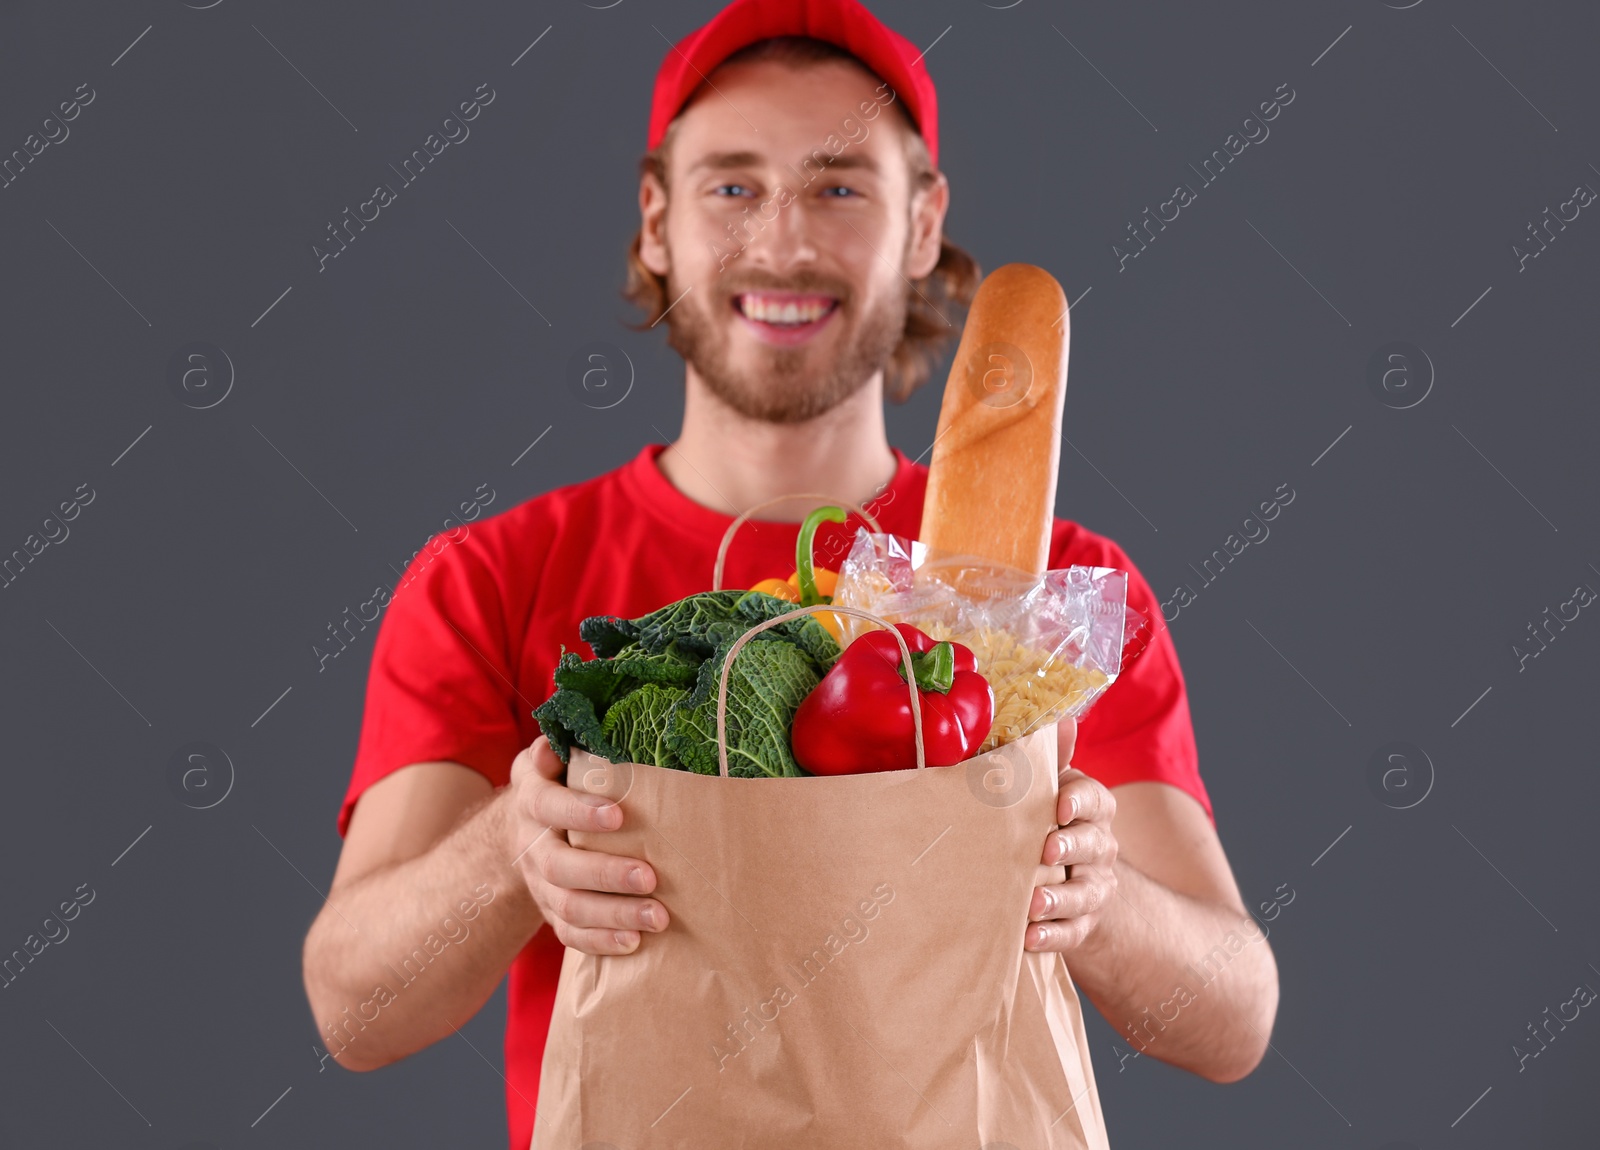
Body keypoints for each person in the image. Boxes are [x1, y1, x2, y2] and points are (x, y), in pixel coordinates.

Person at [300, 2, 1279, 1145]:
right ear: (657, 219)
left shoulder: (1055, 587)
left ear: (923, 225)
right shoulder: (492, 576)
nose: (781, 241)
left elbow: (1235, 1015)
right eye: (731, 186)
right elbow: (353, 1008)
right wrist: (512, 850)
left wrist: (1098, 902)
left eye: (839, 187)